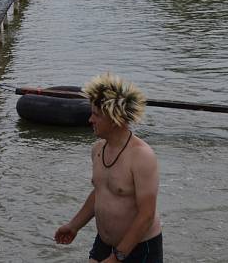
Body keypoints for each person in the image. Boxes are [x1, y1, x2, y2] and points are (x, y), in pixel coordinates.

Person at [55, 73, 163, 263]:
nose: (90, 120)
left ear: (114, 119)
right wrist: (74, 226)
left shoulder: (142, 156)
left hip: (140, 249)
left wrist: (117, 257)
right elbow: (101, 191)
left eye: (96, 115)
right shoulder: (97, 150)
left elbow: (146, 215)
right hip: (105, 244)